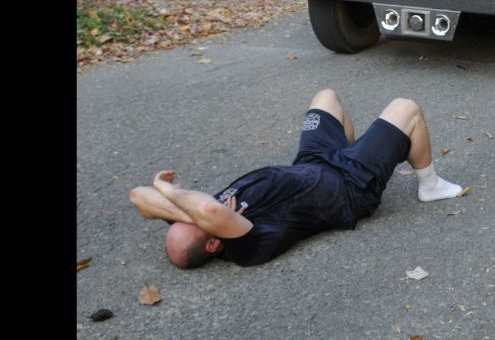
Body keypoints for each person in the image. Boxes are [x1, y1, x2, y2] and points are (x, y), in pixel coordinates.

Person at [129, 91, 463, 268]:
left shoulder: (199, 217)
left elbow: (137, 198)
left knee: (326, 97)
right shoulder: (244, 246)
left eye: (178, 216)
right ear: (214, 243)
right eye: (192, 218)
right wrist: (173, 192)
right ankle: (430, 185)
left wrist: (166, 196)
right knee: (406, 108)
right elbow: (210, 211)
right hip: (348, 188)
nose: (195, 209)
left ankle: (363, 151)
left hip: (312, 164)